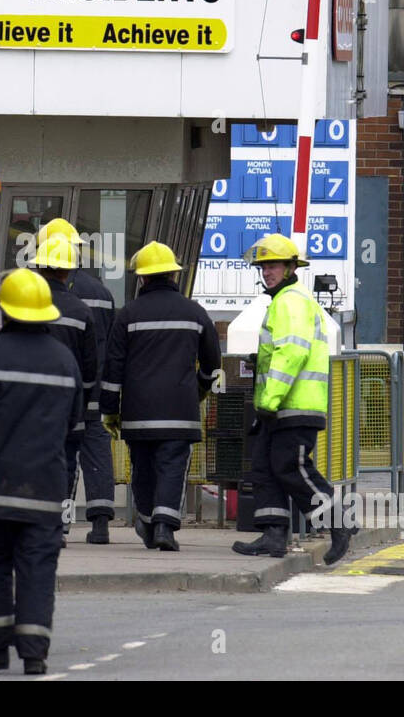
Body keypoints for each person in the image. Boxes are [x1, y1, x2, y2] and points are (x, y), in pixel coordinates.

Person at [0, 268, 82, 676]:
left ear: (4, 311)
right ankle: (34, 655)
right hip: (44, 488)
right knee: (38, 568)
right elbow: (74, 423)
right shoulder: (65, 361)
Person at [231, 233, 352, 565]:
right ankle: (273, 535)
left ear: (290, 267)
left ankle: (338, 522)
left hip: (292, 405)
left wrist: (269, 399)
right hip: (281, 406)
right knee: (264, 468)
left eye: (273, 266)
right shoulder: (284, 300)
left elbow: (292, 353)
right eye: (263, 266)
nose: (266, 272)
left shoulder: (291, 301)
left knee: (290, 467)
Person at [99, 241, 221, 552]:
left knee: (142, 467)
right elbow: (212, 363)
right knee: (172, 467)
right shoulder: (195, 313)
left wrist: (110, 410)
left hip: (138, 413)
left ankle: (147, 521)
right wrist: (199, 390)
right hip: (180, 411)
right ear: (174, 276)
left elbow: (113, 367)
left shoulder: (128, 315)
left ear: (142, 278)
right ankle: (165, 526)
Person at [38, 218, 117, 544]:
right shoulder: (100, 292)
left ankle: (60, 522)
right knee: (96, 454)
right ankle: (100, 524)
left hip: (52, 396)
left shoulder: (36, 296)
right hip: (92, 390)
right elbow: (110, 344)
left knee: (57, 458)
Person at [29, 232, 98, 547]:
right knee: (66, 467)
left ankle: (34, 523)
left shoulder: (27, 307)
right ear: (69, 271)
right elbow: (89, 370)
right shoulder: (82, 311)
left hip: (31, 407)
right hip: (70, 409)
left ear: (40, 269)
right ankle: (61, 526)